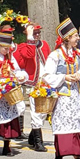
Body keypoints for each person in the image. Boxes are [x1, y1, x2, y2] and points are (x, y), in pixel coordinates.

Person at [43, 18, 80, 159]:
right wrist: (64, 77)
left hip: (77, 97)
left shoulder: (78, 54)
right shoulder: (55, 55)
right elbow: (46, 76)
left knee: (77, 127)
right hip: (63, 98)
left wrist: (78, 75)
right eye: (75, 36)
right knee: (65, 128)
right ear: (67, 39)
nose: (78, 38)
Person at [13, 23, 51, 152]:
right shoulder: (23, 46)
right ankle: (38, 142)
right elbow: (28, 55)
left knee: (45, 111)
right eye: (34, 33)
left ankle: (32, 136)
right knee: (36, 111)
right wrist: (30, 39)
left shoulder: (45, 45)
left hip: (45, 82)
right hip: (33, 83)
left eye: (38, 32)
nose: (37, 35)